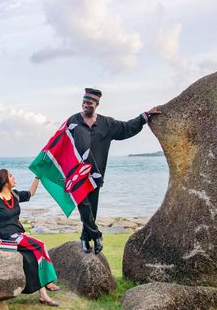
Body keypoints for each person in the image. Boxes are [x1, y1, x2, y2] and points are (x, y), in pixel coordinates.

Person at [68, 88, 159, 254]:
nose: (85, 105)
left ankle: (84, 237)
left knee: (92, 208)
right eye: (84, 102)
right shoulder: (73, 120)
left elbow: (126, 127)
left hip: (95, 174)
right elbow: (60, 141)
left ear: (97, 104)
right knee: (83, 205)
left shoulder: (106, 124)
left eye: (89, 102)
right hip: (76, 174)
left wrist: (145, 116)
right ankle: (96, 235)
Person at [0, 169, 61, 307]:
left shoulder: (15, 195)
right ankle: (49, 282)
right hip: (6, 238)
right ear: (4, 181)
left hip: (18, 235)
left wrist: (38, 177)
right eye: (11, 176)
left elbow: (30, 193)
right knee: (40, 245)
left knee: (33, 257)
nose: (13, 177)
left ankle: (43, 295)